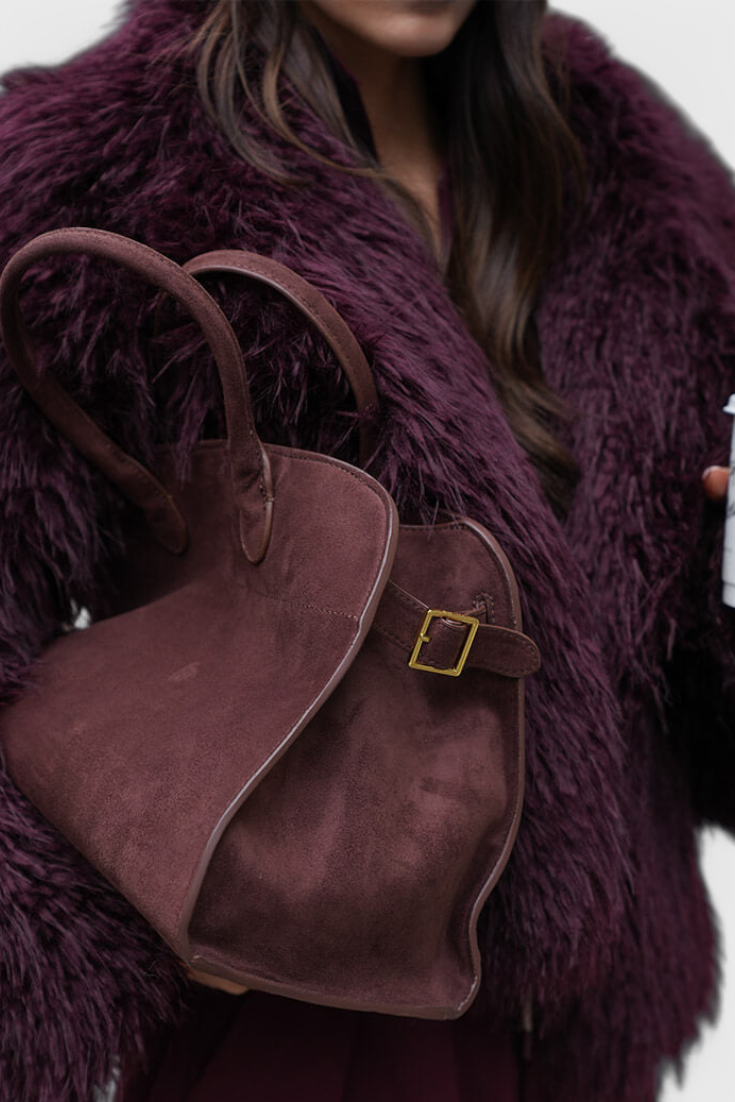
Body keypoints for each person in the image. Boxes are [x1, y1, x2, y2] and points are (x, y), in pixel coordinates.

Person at [0, 1, 733, 1100]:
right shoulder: (90, 164)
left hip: (570, 1021)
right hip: (289, 1012)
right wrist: (110, 909)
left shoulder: (630, 176)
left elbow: (675, 659)